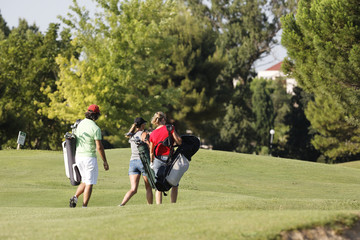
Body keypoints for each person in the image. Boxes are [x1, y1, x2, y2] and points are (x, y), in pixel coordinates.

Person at [69, 104, 109, 208]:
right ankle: (84, 206)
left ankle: (75, 197)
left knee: (85, 181)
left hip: (79, 157)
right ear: (96, 116)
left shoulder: (80, 124)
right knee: (90, 183)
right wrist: (105, 161)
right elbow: (99, 147)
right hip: (89, 158)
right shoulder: (95, 128)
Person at [149, 112, 182, 204]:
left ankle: (159, 206)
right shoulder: (170, 128)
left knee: (159, 185)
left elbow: (151, 152)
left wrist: (151, 162)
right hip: (170, 159)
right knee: (174, 183)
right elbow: (178, 141)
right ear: (163, 119)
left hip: (157, 160)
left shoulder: (152, 133)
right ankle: (173, 204)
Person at [119, 117, 153, 206]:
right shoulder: (143, 134)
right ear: (142, 125)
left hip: (133, 163)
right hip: (143, 162)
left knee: (133, 189)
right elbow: (149, 146)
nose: (145, 125)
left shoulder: (131, 135)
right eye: (144, 124)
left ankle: (122, 204)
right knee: (148, 188)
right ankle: (150, 206)